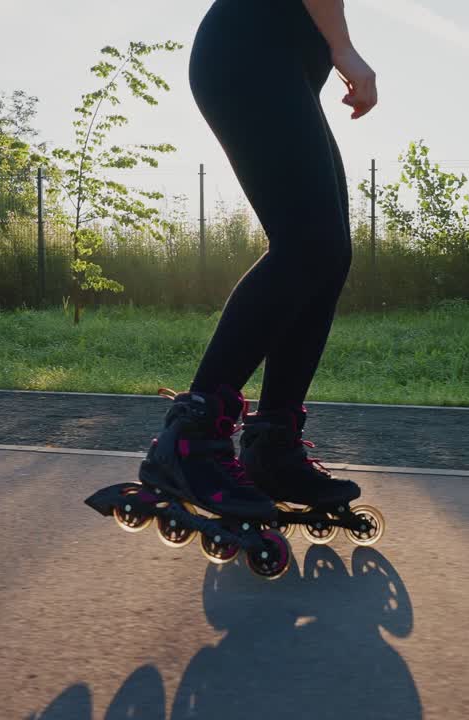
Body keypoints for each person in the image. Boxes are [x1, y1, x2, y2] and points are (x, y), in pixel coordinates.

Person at [137, 0, 378, 522]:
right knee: (307, 244)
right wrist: (343, 49)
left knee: (328, 254)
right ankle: (189, 442)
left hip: (276, 60)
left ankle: (273, 447)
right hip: (251, 48)